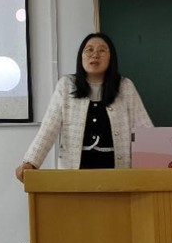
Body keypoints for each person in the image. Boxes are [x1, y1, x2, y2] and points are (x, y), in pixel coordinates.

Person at [15, 32, 153, 182]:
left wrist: (159, 161)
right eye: (89, 50)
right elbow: (48, 128)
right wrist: (31, 162)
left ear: (111, 57)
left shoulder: (125, 87)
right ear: (81, 56)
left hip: (118, 175)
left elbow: (144, 129)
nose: (95, 55)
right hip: (75, 178)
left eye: (102, 50)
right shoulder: (66, 85)